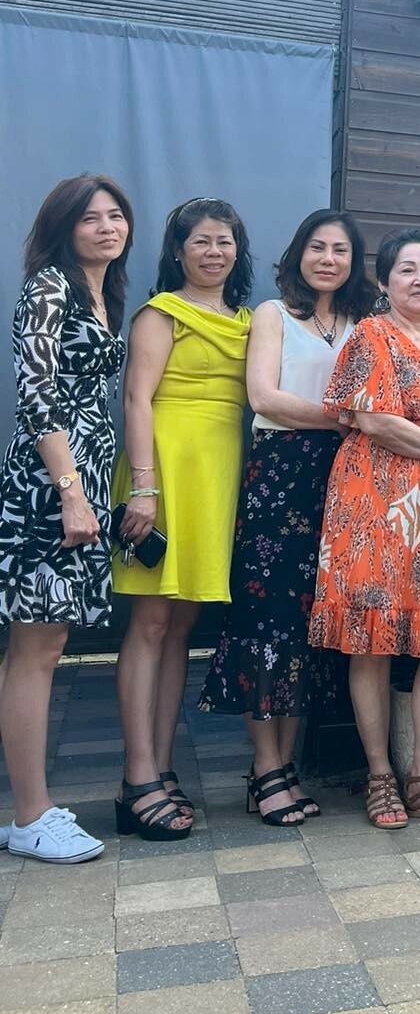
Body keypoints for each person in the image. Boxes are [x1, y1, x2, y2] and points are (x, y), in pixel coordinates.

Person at [198, 209, 377, 826]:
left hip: (342, 477)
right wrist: (344, 417)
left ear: (353, 262)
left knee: (308, 622)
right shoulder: (273, 314)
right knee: (267, 618)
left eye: (341, 251)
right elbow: (264, 397)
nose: (328, 259)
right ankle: (265, 766)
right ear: (299, 253)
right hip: (279, 475)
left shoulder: (362, 324)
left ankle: (282, 770)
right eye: (318, 247)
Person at [308, 227, 420, 829]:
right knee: (373, 635)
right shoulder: (371, 334)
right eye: (407, 269)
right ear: (384, 282)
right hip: (373, 501)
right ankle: (381, 776)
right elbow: (372, 418)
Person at [0, 177, 133, 863]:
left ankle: (32, 809)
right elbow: (37, 394)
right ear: (64, 228)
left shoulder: (103, 294)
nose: (107, 227)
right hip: (48, 490)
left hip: (80, 485)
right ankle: (30, 815)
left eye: (116, 215)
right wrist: (71, 492)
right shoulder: (49, 287)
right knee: (37, 647)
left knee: (44, 646)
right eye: (90, 218)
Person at [112, 197, 253, 841]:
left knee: (182, 626)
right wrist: (145, 488)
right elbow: (136, 398)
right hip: (163, 473)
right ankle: (137, 778)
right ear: (177, 251)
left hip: (215, 479)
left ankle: (161, 767)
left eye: (224, 241)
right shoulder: (161, 313)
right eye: (201, 241)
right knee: (150, 621)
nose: (213, 252)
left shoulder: (248, 322)